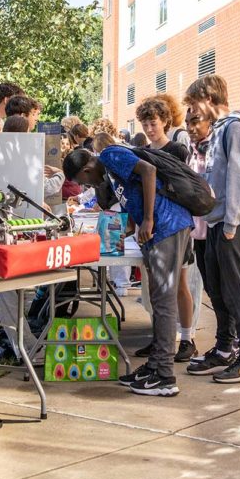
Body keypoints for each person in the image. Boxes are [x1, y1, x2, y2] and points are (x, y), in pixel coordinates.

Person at [63, 141, 193, 397]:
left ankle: (165, 376)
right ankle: (155, 365)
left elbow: (148, 171)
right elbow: (131, 195)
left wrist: (148, 219)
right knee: (157, 299)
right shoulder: (110, 172)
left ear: (88, 168)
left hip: (168, 225)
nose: (90, 186)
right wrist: (132, 226)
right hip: (157, 230)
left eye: (85, 181)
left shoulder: (110, 155)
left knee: (164, 301)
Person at [182, 75, 240, 383]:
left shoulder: (236, 129)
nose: (191, 109)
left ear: (209, 98)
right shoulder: (218, 132)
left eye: (194, 102)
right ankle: (225, 347)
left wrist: (231, 221)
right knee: (217, 290)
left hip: (232, 224)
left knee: (236, 290)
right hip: (215, 222)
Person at [132, 96, 194, 363]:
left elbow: (184, 189)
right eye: (145, 123)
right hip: (153, 227)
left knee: (178, 284)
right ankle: (161, 338)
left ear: (165, 121)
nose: (149, 128)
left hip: (175, 224)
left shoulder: (177, 151)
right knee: (156, 287)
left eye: (153, 122)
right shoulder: (142, 151)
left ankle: (187, 339)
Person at [184, 106, 214, 364]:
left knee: (221, 289)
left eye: (195, 121)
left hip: (216, 229)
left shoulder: (214, 150)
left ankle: (235, 345)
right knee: (202, 286)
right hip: (196, 231)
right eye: (187, 122)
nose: (190, 127)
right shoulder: (193, 152)